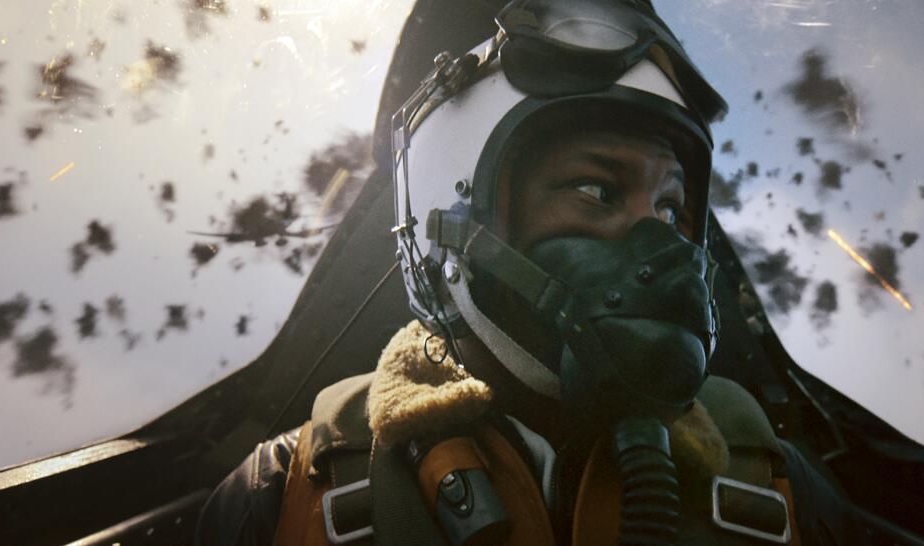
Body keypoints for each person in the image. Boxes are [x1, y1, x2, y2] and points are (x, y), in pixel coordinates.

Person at [197, 1, 851, 544]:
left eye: (671, 207)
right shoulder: (287, 491)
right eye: (596, 191)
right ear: (451, 217)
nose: (661, 244)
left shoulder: (777, 482)